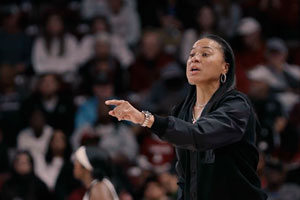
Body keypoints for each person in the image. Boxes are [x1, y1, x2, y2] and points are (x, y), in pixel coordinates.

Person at [105, 34, 268, 200]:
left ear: (224, 67)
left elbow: (200, 135)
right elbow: (186, 176)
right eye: (191, 55)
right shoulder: (183, 111)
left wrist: (145, 119)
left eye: (205, 54)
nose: (195, 59)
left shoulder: (237, 105)